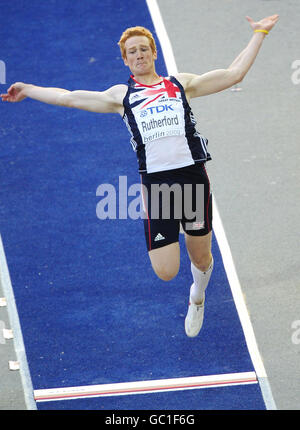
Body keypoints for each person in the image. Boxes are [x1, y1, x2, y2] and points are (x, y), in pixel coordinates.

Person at [1, 14, 279, 337]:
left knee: (201, 259)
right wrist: (29, 89)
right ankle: (177, 255)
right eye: (132, 51)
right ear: (125, 60)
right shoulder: (122, 97)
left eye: (144, 49)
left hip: (192, 181)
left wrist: (260, 32)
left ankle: (198, 296)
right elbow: (69, 97)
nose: (139, 55)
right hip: (158, 187)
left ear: (154, 53)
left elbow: (233, 75)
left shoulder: (180, 84)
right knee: (165, 271)